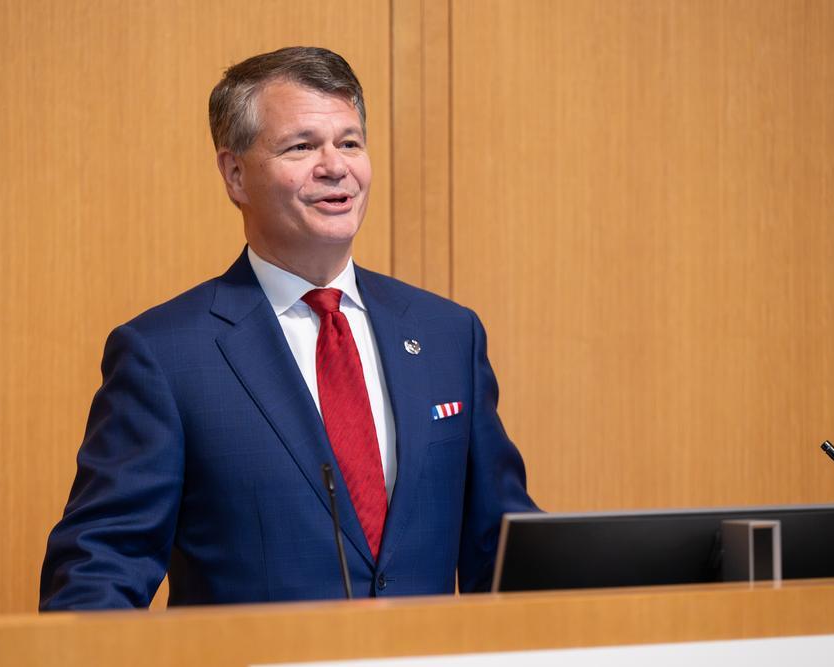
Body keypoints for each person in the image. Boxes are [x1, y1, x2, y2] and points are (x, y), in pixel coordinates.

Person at [39, 46, 537, 610]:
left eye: (350, 143)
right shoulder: (164, 356)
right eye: (302, 146)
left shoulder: (448, 334)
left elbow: (504, 552)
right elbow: (98, 570)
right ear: (235, 175)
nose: (335, 166)